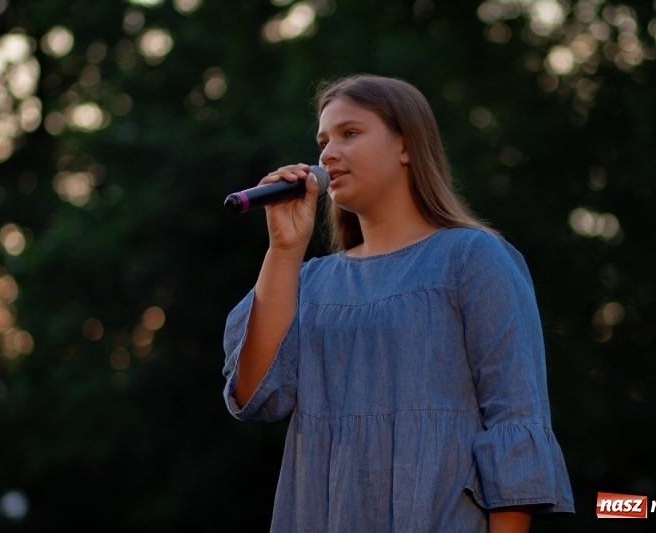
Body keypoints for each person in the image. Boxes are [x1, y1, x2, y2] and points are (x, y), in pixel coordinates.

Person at [223, 74, 574, 532]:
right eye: (323, 140)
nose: (327, 153)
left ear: (405, 146)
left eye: (350, 133)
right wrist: (285, 250)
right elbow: (254, 395)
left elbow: (514, 421)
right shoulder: (308, 282)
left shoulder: (472, 259)